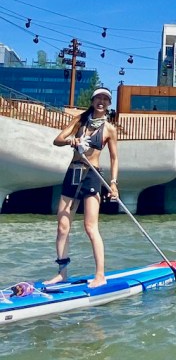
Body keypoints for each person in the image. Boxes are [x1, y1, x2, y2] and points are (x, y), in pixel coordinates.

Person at [47, 87, 119, 288]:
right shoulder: (80, 120)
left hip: (92, 176)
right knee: (62, 226)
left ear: (108, 104)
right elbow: (57, 139)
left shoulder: (109, 129)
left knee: (90, 227)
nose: (101, 101)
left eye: (105, 99)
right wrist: (71, 140)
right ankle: (62, 273)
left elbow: (114, 158)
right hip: (73, 173)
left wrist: (113, 183)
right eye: (98, 98)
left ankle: (100, 275)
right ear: (93, 100)